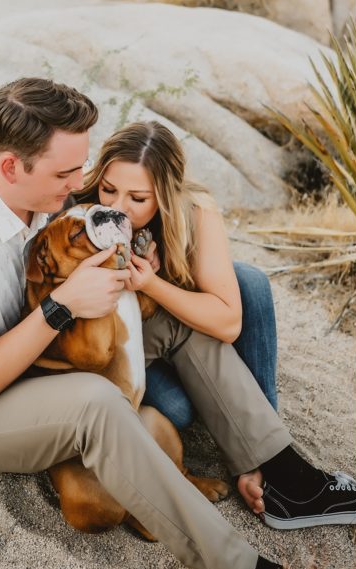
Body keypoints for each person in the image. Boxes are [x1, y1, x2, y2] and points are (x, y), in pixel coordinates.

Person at [0, 78, 356, 569]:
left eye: (80, 167)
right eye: (66, 173)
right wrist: (63, 306)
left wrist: (139, 270)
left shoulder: (44, 202)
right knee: (96, 402)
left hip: (39, 362)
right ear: (10, 167)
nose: (79, 185)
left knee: (178, 319)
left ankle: (284, 477)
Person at [70, 121, 278, 431]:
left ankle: (266, 428)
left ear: (164, 196)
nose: (117, 208)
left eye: (137, 199)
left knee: (250, 281)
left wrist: (152, 284)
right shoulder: (80, 205)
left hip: (181, 328)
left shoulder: (193, 211)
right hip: (127, 337)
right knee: (180, 410)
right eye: (109, 189)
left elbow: (229, 324)